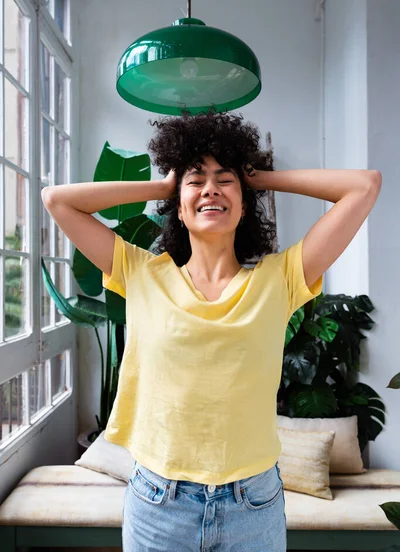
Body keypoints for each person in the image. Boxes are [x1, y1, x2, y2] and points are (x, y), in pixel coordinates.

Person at [41, 108, 382, 552]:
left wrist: (257, 176)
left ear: (243, 204)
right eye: (196, 180)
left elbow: (364, 186)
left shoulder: (280, 279)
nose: (210, 189)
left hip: (252, 506)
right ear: (178, 208)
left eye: (225, 180)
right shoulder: (140, 272)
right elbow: (57, 200)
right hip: (158, 503)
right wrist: (162, 185)